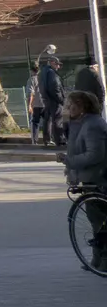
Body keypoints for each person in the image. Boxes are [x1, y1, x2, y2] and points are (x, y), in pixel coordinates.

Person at [62, 90, 107, 270]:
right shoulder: (79, 124)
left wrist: (68, 161)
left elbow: (94, 155)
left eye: (71, 104)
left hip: (100, 177)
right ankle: (97, 260)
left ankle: (104, 261)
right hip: (91, 179)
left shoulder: (92, 125)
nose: (67, 108)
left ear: (82, 106)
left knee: (101, 220)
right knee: (96, 219)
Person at [41, 55, 68, 148]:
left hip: (47, 99)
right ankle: (60, 140)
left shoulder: (44, 72)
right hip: (54, 100)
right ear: (52, 63)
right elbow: (55, 88)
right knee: (58, 119)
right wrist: (62, 100)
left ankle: (47, 139)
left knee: (48, 120)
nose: (58, 67)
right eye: (57, 64)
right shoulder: (52, 73)